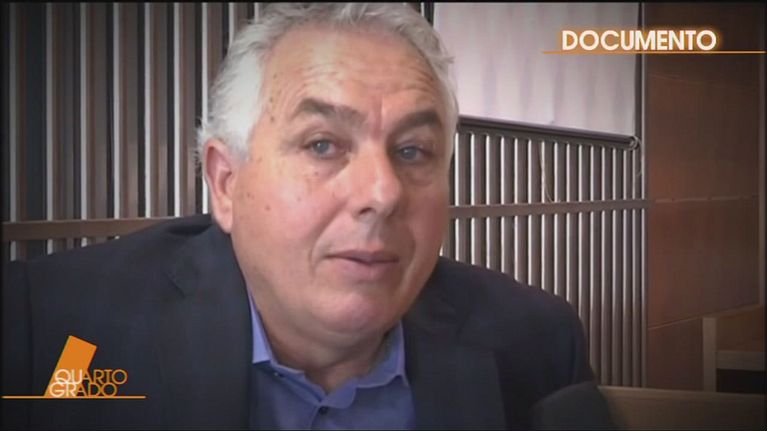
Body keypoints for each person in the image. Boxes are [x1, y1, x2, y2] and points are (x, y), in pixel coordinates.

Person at [2, 3, 612, 429]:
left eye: (412, 151)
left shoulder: (536, 343)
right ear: (226, 182)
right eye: (323, 145)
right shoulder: (59, 333)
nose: (383, 192)